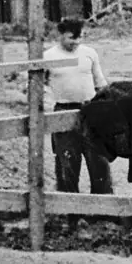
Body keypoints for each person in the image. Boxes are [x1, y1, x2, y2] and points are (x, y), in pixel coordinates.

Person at [44, 18, 111, 194]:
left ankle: (104, 210)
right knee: (67, 161)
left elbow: (100, 83)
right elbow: (38, 85)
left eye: (80, 37)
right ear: (60, 35)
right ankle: (70, 212)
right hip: (63, 111)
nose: (76, 42)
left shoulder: (89, 53)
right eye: (71, 38)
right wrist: (47, 103)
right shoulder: (48, 56)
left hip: (90, 111)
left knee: (99, 161)